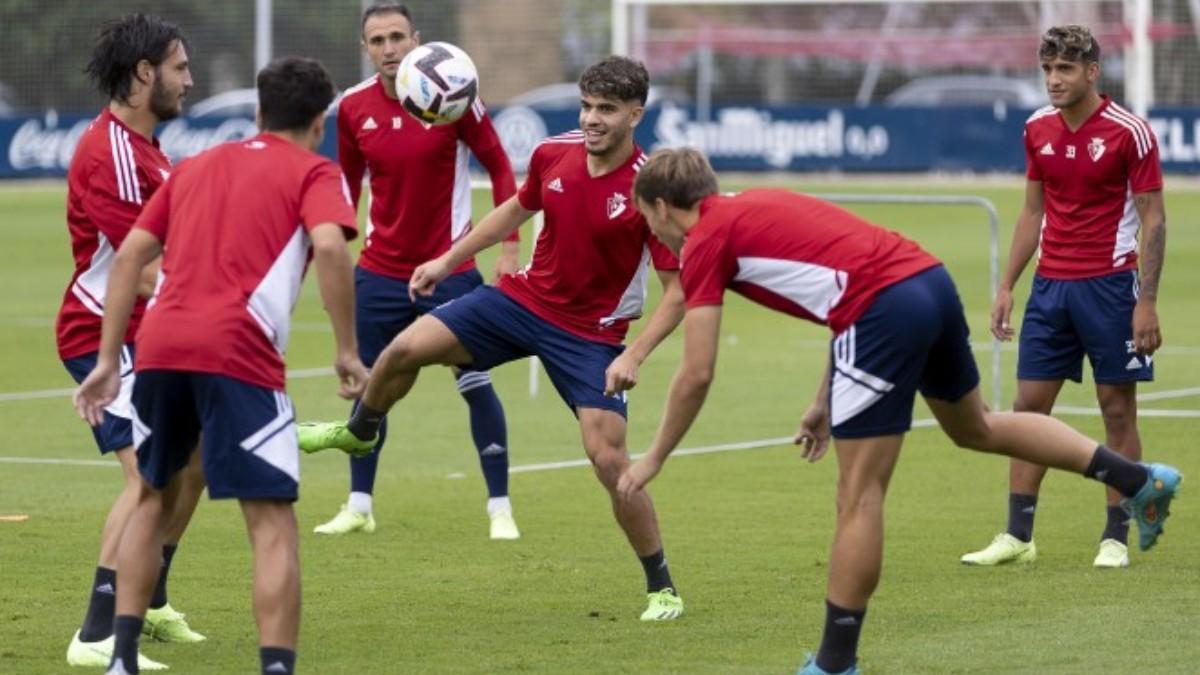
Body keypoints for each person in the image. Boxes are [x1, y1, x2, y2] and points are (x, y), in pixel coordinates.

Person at [617, 148, 1181, 674]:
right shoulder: (753, 203)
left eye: (649, 218)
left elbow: (697, 373)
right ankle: (1136, 478)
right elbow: (840, 282)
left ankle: (835, 662)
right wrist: (822, 401)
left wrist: (654, 459)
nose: (653, 230)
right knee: (976, 427)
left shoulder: (706, 241)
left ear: (663, 206)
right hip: (926, 282)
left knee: (857, 495)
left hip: (881, 310)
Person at [299, 56, 688, 621]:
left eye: (606, 109)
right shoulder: (554, 152)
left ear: (636, 113)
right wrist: (447, 260)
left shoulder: (649, 187)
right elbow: (512, 211)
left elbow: (677, 291)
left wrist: (636, 351)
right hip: (521, 302)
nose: (592, 118)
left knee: (608, 460)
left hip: (592, 335)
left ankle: (662, 587)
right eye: (586, 106)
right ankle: (360, 431)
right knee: (404, 349)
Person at [73, 56, 367, 675]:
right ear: (319, 122)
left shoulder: (197, 165)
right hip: (238, 354)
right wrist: (346, 350)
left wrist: (106, 362)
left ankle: (120, 658)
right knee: (271, 522)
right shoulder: (317, 171)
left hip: (155, 349)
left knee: (151, 495)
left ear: (258, 113)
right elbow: (333, 246)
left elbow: (128, 257)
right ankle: (276, 668)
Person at [961, 25, 1167, 569]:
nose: (1054, 80)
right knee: (1028, 410)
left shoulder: (1131, 132)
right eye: (1048, 69)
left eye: (1065, 70)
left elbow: (1154, 219)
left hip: (1111, 288)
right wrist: (1007, 284)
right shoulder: (1036, 128)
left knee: (1116, 409)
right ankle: (1018, 535)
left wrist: (1146, 301)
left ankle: (1115, 538)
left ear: (1092, 72)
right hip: (1050, 289)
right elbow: (1033, 212)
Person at [316, 2, 522, 540]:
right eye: (377, 40)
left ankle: (499, 506)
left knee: (474, 379)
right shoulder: (353, 108)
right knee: (369, 387)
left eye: (397, 37)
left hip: (450, 268)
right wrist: (337, 264)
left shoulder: (455, 98)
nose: (388, 49)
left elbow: (501, 168)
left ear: (417, 40)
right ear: (366, 48)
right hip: (380, 273)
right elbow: (345, 188)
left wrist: (508, 248)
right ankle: (359, 504)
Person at [59, 14, 204, 670]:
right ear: (144, 73)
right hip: (102, 335)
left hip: (152, 332)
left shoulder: (146, 146)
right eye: (179, 67)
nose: (189, 79)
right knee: (148, 480)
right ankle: (96, 631)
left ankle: (148, 599)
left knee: (192, 465)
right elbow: (140, 268)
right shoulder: (111, 150)